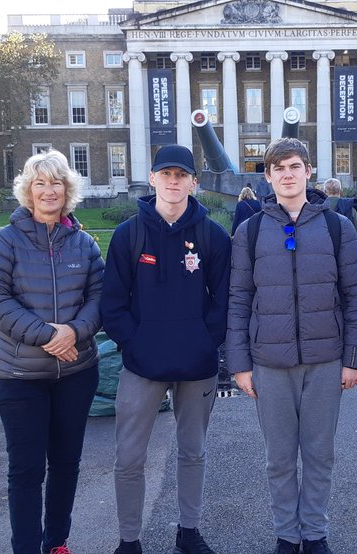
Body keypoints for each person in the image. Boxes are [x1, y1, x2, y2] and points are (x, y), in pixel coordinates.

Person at [226, 138, 357, 554]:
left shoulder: (336, 227)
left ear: (308, 172)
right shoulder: (250, 231)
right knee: (279, 458)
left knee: (320, 455)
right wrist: (239, 364)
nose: (287, 175)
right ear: (268, 176)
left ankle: (314, 534)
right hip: (269, 363)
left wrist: (355, 359)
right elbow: (237, 300)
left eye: (295, 166)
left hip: (326, 361)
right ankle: (287, 535)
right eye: (278, 168)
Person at [100, 144, 231, 554]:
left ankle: (188, 532)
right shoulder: (128, 235)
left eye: (182, 176)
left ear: (194, 182)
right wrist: (135, 344)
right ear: (153, 178)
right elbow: (112, 303)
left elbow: (224, 301)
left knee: (192, 452)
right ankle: (129, 540)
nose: (174, 182)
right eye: (166, 174)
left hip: (197, 366)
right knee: (129, 457)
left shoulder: (212, 236)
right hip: (142, 365)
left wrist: (204, 341)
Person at [0, 150, 105, 554]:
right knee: (27, 471)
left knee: (66, 465)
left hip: (76, 373)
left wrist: (75, 332)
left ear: (67, 190)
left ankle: (57, 543)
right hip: (20, 378)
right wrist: (47, 335)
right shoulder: (7, 240)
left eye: (56, 183)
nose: (48, 191)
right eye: (40, 183)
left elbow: (100, 297)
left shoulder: (84, 243)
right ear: (27, 192)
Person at [322, 178, 357, 244]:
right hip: (347, 249)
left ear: (324, 191)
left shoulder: (319, 209)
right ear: (341, 191)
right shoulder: (350, 208)